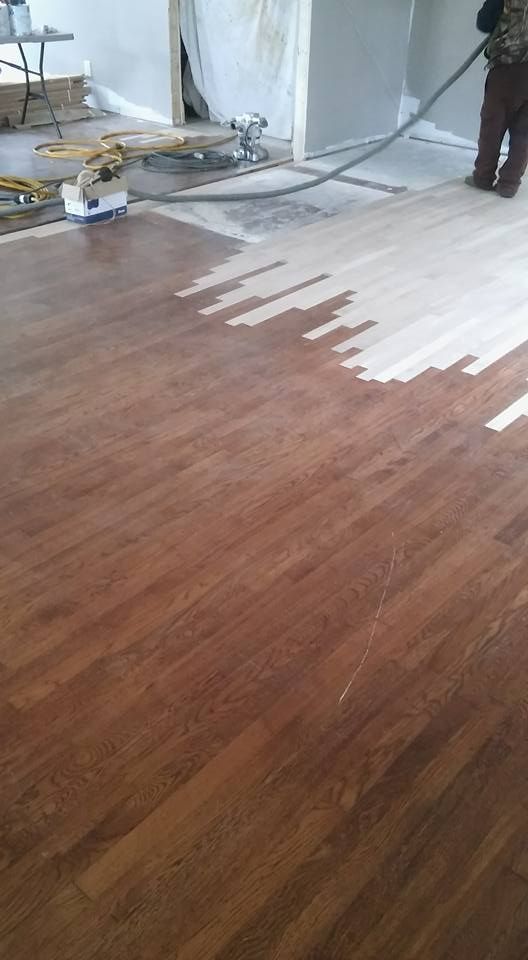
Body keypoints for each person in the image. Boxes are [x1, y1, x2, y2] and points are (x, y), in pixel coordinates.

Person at [467, 0, 528, 197]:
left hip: (508, 66)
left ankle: (483, 177)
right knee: (524, 132)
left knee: (493, 125)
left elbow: (484, 23)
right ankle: (509, 184)